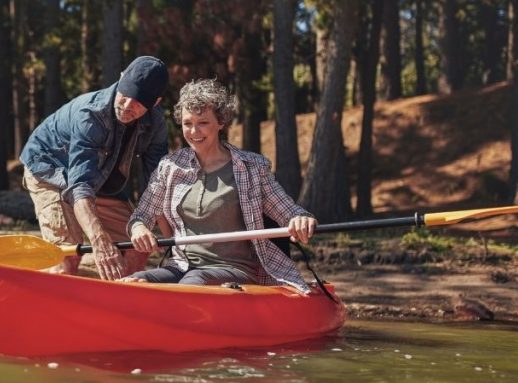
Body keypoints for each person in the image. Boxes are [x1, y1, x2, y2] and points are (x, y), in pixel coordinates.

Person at [124, 78, 317, 292]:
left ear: (221, 122)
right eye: (188, 123)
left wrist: (300, 219)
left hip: (236, 270)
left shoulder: (252, 167)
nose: (194, 132)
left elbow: (287, 211)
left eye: (203, 123)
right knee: (135, 282)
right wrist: (139, 228)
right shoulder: (169, 167)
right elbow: (140, 216)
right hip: (181, 266)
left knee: (194, 281)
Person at [20, 56, 171, 280]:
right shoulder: (90, 115)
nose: (128, 105)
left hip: (100, 178)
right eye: (125, 94)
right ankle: (43, 292)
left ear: (155, 103)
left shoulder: (156, 124)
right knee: (68, 254)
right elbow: (79, 186)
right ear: (120, 79)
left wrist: (173, 242)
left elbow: (158, 184)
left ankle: (116, 305)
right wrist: (99, 240)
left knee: (138, 246)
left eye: (138, 102)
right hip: (50, 169)